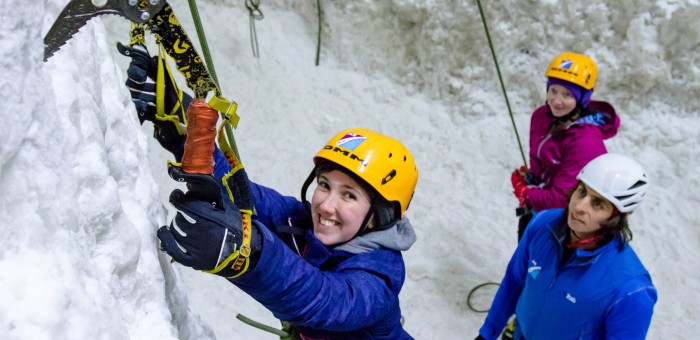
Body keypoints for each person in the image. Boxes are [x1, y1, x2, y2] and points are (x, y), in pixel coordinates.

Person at [119, 45, 419, 339]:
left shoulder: (379, 276)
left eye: (349, 195)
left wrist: (247, 251)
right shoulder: (302, 223)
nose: (326, 206)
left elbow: (325, 300)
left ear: (379, 216)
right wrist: (189, 130)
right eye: (325, 185)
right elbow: (245, 196)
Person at [478, 153, 657, 340]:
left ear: (620, 216)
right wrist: (487, 333)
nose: (579, 206)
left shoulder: (630, 290)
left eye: (598, 203)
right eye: (582, 191)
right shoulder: (543, 224)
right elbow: (514, 282)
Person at [511, 51, 620, 241]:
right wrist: (534, 178)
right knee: (524, 259)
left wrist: (527, 194)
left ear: (581, 99)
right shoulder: (541, 117)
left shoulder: (586, 142)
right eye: (553, 90)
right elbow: (540, 159)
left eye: (567, 94)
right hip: (539, 211)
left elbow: (563, 199)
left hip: (567, 221)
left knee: (541, 266)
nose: (557, 100)